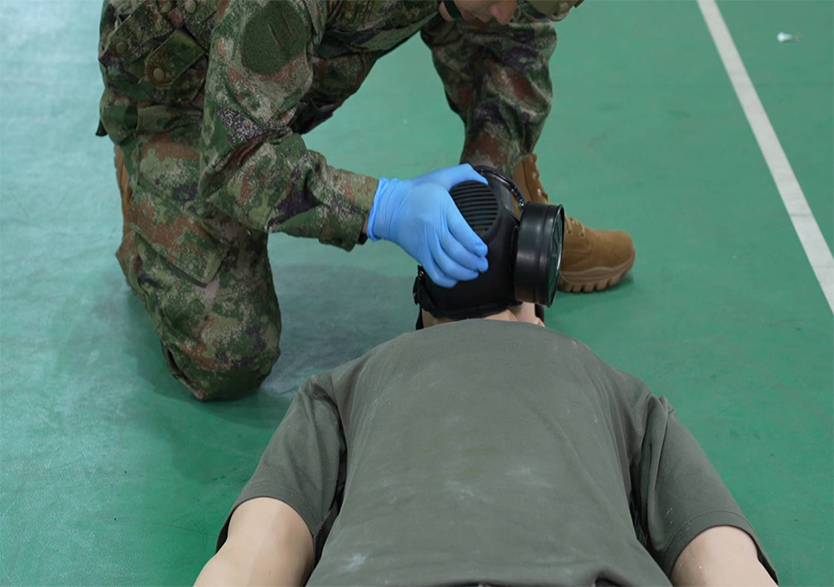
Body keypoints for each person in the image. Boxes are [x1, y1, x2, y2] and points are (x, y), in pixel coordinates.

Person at [193, 173, 776, 586]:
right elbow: (725, 565)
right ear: (535, 288)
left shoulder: (344, 386)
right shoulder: (621, 393)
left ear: (424, 308)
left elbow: (253, 558)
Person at [97, 0, 635, 401]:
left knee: (490, 28)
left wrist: (487, 198)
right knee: (228, 355)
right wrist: (383, 207)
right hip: (182, 99)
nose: (507, 12)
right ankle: (145, 177)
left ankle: (509, 197)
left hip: (269, 73)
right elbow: (238, 158)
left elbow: (516, 46)